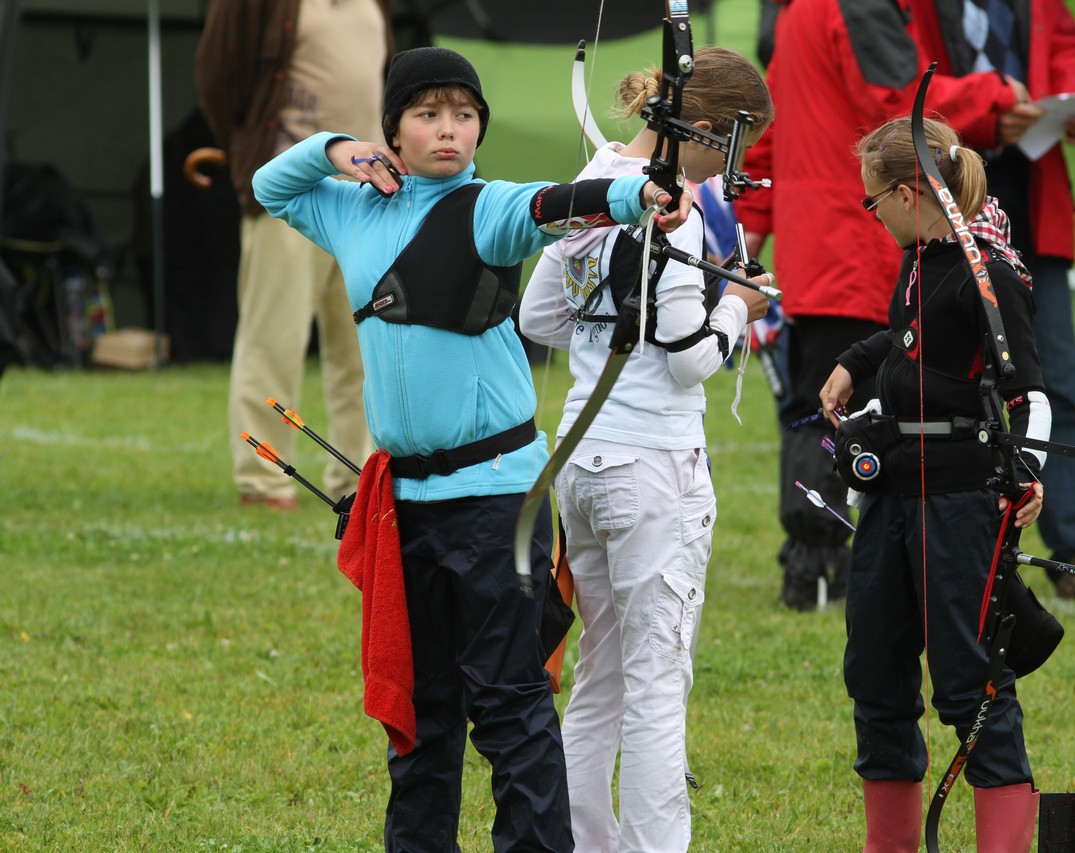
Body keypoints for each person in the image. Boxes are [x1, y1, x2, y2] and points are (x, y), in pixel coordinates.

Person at [252, 45, 692, 851]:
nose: (448, 130)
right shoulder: (349, 208)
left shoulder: (486, 206)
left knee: (509, 703)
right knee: (422, 713)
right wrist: (333, 149)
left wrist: (638, 194)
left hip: (496, 501)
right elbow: (267, 186)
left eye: (463, 114)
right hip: (408, 505)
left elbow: (558, 202)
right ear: (392, 130)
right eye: (426, 114)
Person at [738, 0, 1075, 609]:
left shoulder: (799, 11)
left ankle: (815, 570)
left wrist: (755, 224)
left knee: (821, 408)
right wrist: (992, 100)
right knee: (862, 415)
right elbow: (900, 110)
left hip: (819, 250)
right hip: (859, 246)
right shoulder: (859, 9)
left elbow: (771, 129)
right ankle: (837, 568)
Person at [518, 47, 774, 853]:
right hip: (653, 467)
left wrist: (605, 329)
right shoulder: (678, 210)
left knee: (600, 676)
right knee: (658, 686)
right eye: (735, 146)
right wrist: (741, 305)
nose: (735, 166)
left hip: (584, 463)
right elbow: (689, 353)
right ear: (701, 129)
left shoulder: (595, 179)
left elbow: (539, 316)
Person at [819, 116, 1048, 852]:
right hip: (893, 492)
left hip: (957, 500)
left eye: (874, 200)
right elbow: (913, 336)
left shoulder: (989, 268)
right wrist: (857, 359)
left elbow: (1032, 394)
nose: (873, 213)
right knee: (875, 672)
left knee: (968, 681)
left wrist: (1028, 472)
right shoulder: (924, 256)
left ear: (911, 190)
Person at [916, 0, 1075, 600]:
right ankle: (949, 544)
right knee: (941, 389)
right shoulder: (905, 9)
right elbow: (897, 96)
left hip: (1034, 214)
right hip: (941, 220)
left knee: (1052, 386)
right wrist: (989, 109)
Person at [196, 0, 388, 510]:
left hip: (367, 199)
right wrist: (251, 155)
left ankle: (355, 476)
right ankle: (263, 480)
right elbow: (218, 79)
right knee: (273, 339)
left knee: (365, 347)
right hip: (291, 195)